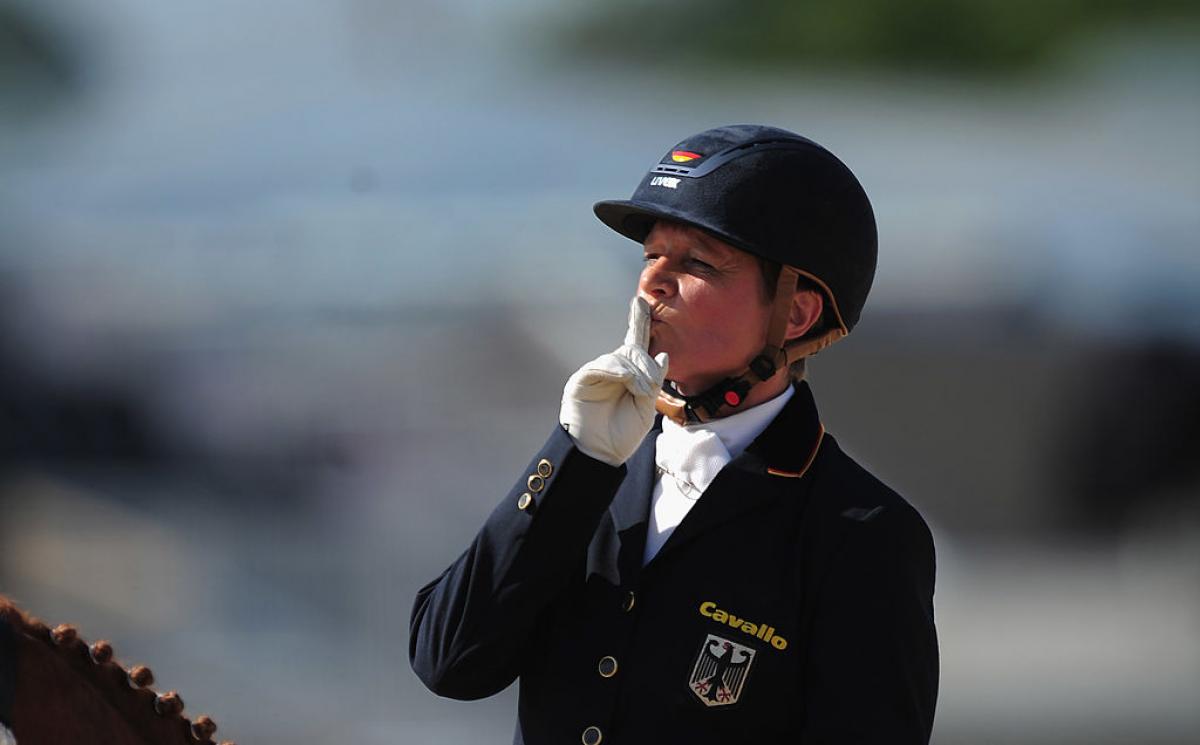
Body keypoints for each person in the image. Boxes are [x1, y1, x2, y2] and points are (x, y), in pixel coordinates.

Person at [409, 124, 939, 744]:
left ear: (795, 312)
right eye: (650, 257)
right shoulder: (591, 468)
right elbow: (450, 661)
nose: (653, 283)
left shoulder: (862, 531)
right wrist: (573, 455)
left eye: (697, 264)